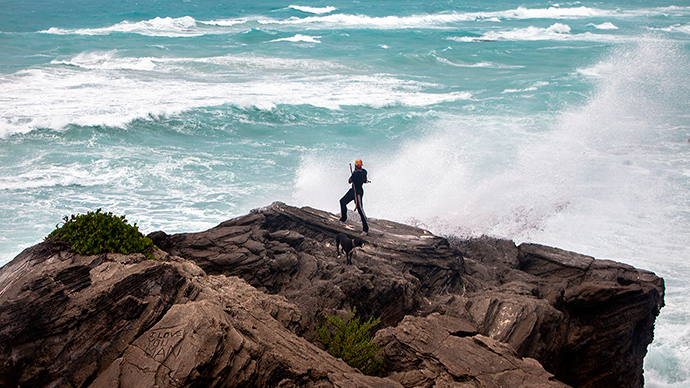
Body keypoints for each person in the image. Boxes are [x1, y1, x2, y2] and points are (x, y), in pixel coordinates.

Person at [339, 159, 369, 235]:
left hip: (357, 192)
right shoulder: (364, 172)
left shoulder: (355, 174)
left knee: (360, 209)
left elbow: (349, 181)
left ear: (356, 166)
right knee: (342, 201)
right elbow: (365, 180)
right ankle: (343, 219)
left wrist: (353, 174)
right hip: (354, 191)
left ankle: (365, 229)